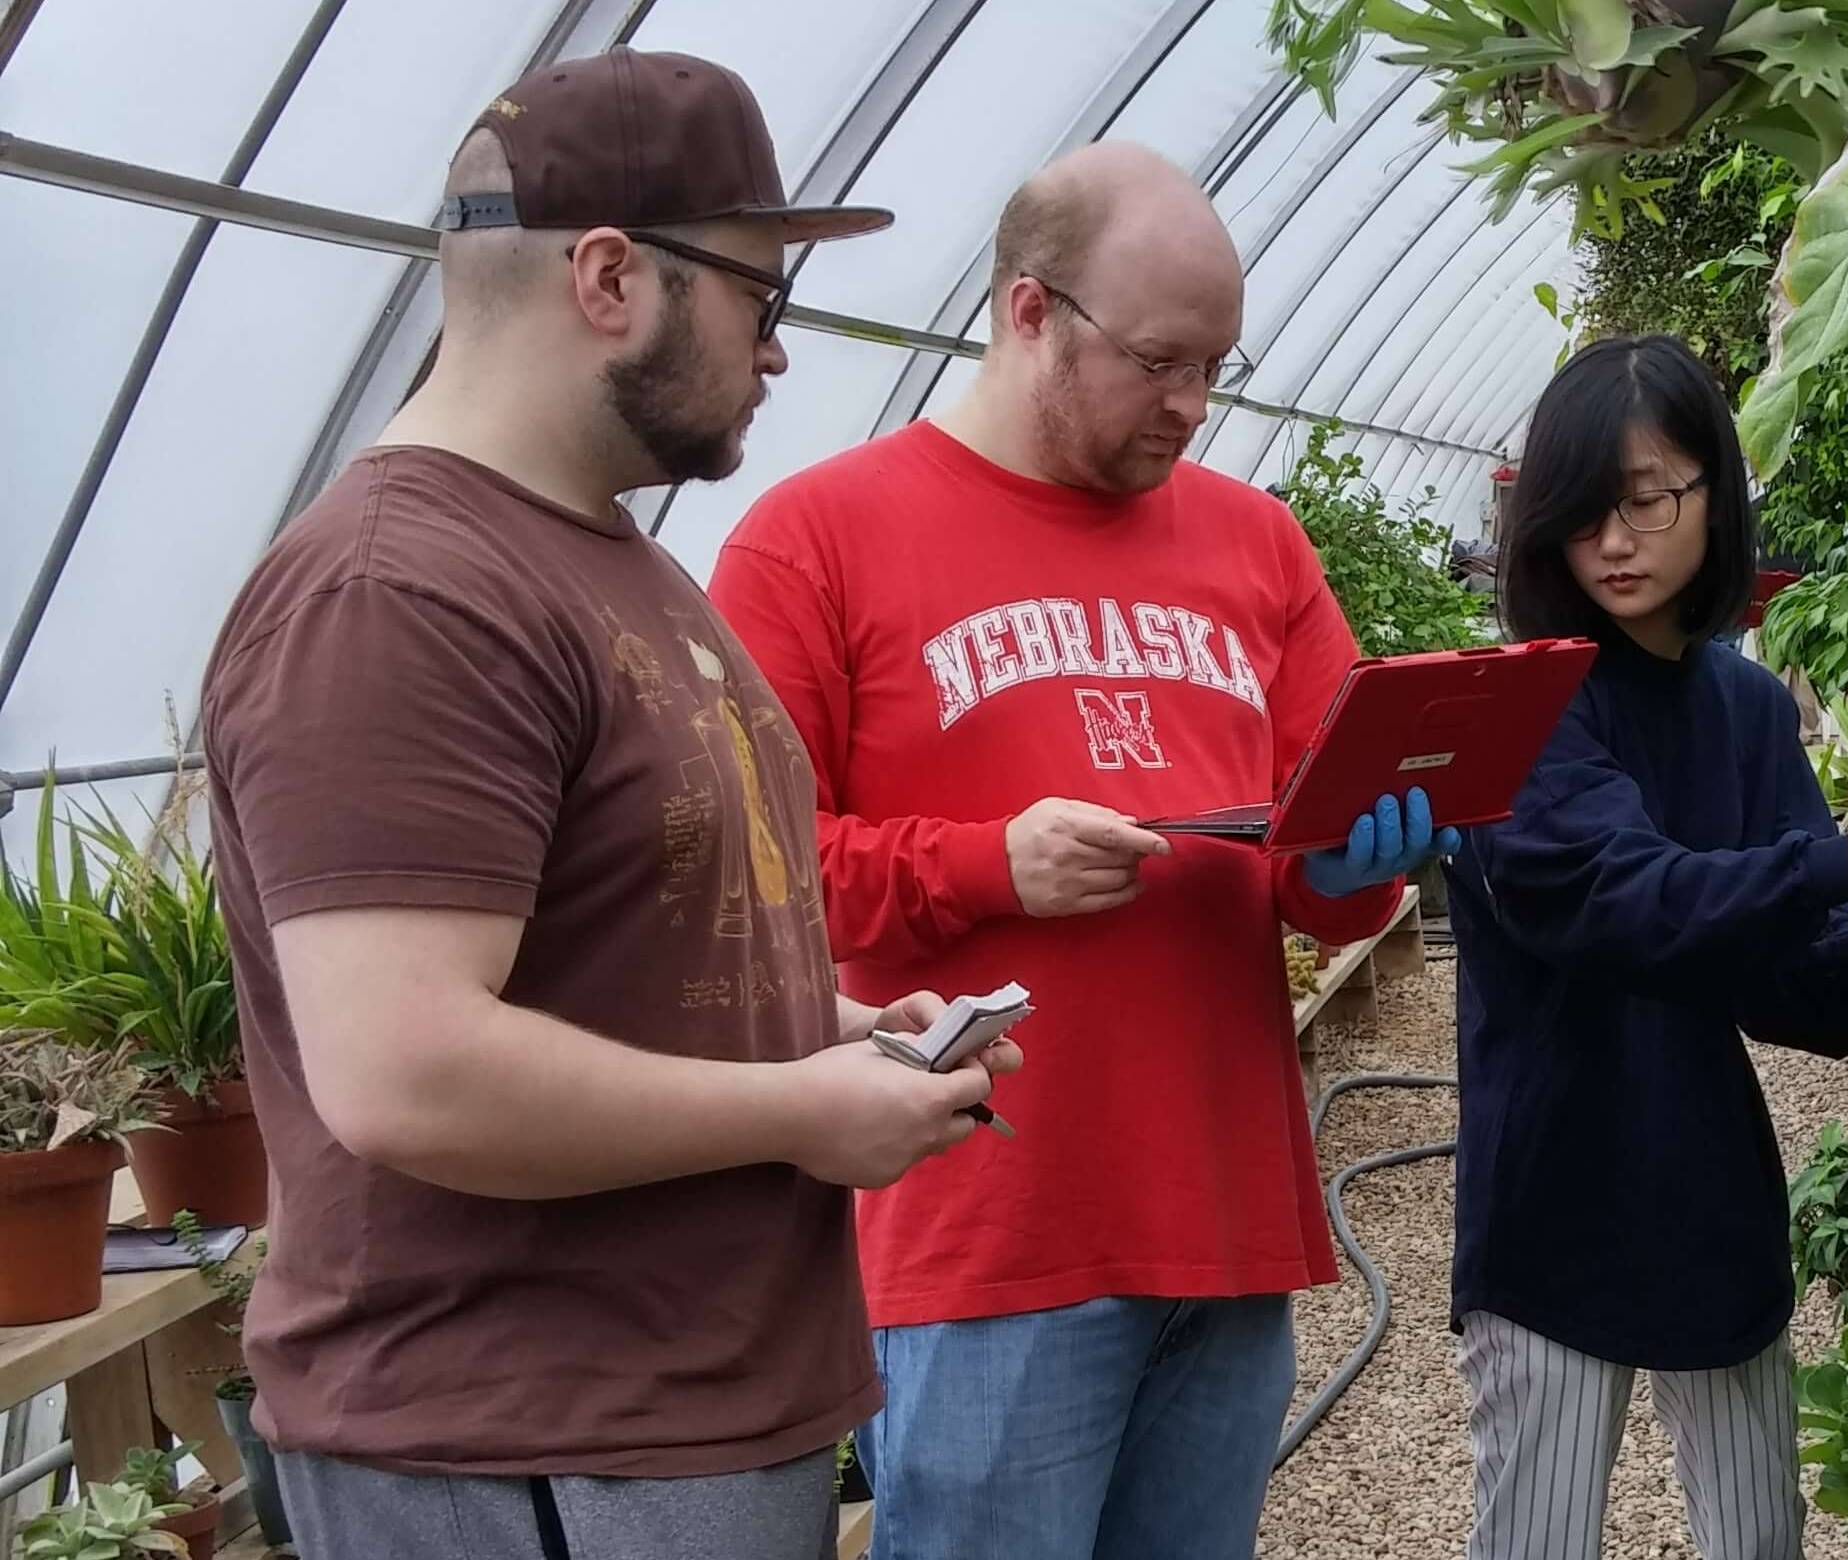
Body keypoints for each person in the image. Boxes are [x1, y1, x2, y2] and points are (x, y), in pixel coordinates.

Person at [195, 49, 1017, 1560]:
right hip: (532, 1449)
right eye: (761, 299)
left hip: (657, 1427)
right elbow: (405, 1071)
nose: (778, 351)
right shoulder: (403, 594)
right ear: (610, 277)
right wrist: (797, 1112)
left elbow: (629, 957)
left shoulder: (608, 560)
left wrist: (845, 1034)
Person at [708, 141, 1447, 1560]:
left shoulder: (1258, 546)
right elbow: (751, 888)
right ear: (1029, 309)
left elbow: (1319, 869)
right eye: (1161, 361)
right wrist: (994, 866)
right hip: (988, 1235)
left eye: (1215, 366)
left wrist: (1374, 855)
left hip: (1226, 1217)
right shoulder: (818, 542)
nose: (1193, 405)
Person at [1445, 335, 1848, 1560]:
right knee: (1537, 1540)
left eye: (1647, 498)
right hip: (1554, 1206)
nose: (1613, 539)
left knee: (1760, 1540)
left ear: (1715, 493)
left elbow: (1780, 980)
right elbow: (1629, 900)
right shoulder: (1522, 708)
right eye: (1583, 509)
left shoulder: (1748, 709)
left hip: (1709, 1199)